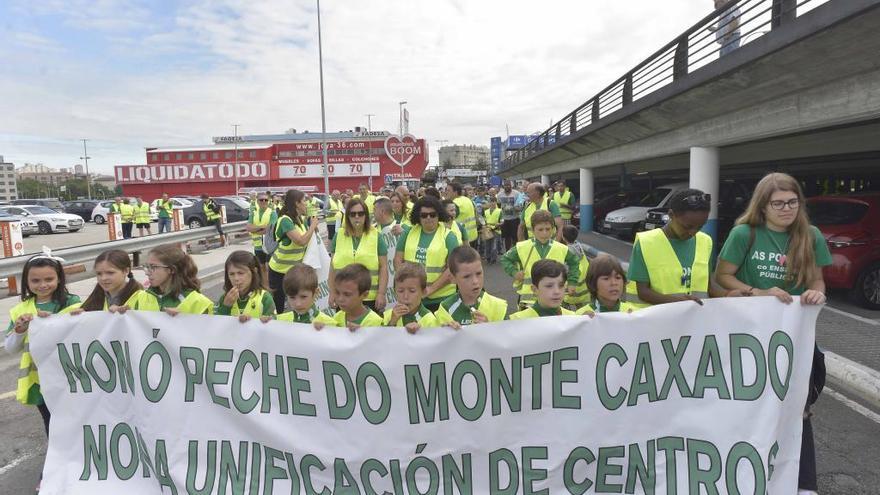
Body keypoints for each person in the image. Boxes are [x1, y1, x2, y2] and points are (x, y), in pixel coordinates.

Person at [714, 172, 831, 495]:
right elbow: (723, 276)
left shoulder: (811, 235)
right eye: (777, 203)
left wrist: (816, 293)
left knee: (798, 409)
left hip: (795, 336)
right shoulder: (744, 234)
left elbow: (818, 280)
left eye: (792, 202)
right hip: (751, 335)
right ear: (762, 206)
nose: (786, 209)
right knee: (749, 407)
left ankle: (803, 484)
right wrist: (756, 291)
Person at [4, 252, 81, 442]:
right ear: (26, 282)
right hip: (40, 382)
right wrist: (20, 330)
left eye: (49, 279)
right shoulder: (21, 310)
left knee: (77, 422)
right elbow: (11, 348)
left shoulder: (72, 302)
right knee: (51, 423)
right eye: (35, 280)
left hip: (71, 377)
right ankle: (58, 464)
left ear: (59, 279)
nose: (42, 284)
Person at [625, 189, 737, 308]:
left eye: (700, 227)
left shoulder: (705, 242)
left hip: (691, 321)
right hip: (657, 320)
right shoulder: (646, 242)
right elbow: (643, 292)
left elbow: (708, 286)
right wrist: (676, 302)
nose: (692, 232)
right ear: (671, 215)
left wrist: (728, 294)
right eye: (687, 227)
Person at [502, 210, 580, 309]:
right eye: (540, 229)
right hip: (528, 301)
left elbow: (574, 262)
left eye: (548, 229)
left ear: (553, 229)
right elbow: (505, 259)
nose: (544, 233)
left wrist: (572, 282)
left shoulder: (562, 248)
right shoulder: (522, 247)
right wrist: (514, 272)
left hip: (555, 300)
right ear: (533, 230)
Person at [394, 196, 460, 312]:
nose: (428, 218)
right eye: (424, 215)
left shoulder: (449, 237)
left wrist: (430, 290)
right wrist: (407, 286)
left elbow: (452, 269)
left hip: (441, 299)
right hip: (412, 298)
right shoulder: (407, 233)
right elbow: (398, 259)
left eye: (432, 214)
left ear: (439, 215)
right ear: (418, 217)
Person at [329, 198, 389, 312]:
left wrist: (381, 293)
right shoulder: (339, 236)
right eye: (353, 214)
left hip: (368, 298)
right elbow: (332, 267)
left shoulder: (376, 236)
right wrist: (332, 292)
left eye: (360, 213)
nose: (357, 217)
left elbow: (383, 268)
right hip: (343, 297)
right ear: (348, 216)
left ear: (366, 216)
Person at [268, 189, 319, 313]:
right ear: (296, 203)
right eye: (304, 201)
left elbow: (307, 239)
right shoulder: (285, 220)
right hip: (278, 270)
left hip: (293, 271)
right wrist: (312, 226)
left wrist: (313, 230)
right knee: (278, 306)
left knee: (297, 304)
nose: (306, 203)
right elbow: (301, 241)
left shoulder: (299, 220)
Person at [435, 246, 508, 328]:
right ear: (453, 278)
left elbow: (506, 338)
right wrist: (446, 332)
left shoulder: (498, 306)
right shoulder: (446, 309)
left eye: (478, 273)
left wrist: (489, 328)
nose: (475, 281)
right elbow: (438, 339)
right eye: (467, 276)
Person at [142, 244, 214, 315]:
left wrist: (182, 319)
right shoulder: (141, 297)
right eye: (147, 267)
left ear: (171, 269)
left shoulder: (198, 302)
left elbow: (211, 325)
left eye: (153, 267)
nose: (147, 273)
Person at [75, 249, 154, 312]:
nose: (103, 278)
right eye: (99, 274)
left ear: (126, 271)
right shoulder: (96, 298)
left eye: (110, 273)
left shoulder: (143, 298)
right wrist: (79, 315)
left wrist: (130, 314)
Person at [317, 264, 383, 331]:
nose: (340, 299)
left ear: (364, 295)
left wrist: (361, 333)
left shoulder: (376, 323)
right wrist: (321, 330)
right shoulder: (337, 317)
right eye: (337, 293)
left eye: (347, 294)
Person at [215, 250, 275, 321]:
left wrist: (266, 320)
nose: (236, 278)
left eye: (241, 273)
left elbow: (273, 324)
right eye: (231, 274)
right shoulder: (224, 298)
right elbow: (216, 325)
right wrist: (225, 307)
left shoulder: (265, 298)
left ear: (254, 272)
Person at [509, 259, 576, 319]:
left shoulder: (573, 318)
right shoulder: (517, 321)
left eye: (561, 285)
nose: (557, 291)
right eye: (549, 286)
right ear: (535, 289)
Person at [383, 262, 439, 334]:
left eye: (412, 291)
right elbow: (381, 342)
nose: (405, 296)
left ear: (423, 292)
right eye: (401, 291)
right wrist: (391, 323)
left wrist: (420, 333)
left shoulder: (429, 320)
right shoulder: (387, 315)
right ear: (395, 292)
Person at [246, 192, 277, 284]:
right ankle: (265, 286)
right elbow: (248, 228)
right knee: (261, 268)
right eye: (261, 200)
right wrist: (262, 227)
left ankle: (271, 286)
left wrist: (255, 229)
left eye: (266, 200)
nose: (264, 201)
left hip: (269, 245)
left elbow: (270, 229)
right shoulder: (253, 213)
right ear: (257, 201)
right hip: (258, 246)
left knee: (268, 267)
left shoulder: (272, 213)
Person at [561, 225, 591, 310]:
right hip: (583, 287)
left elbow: (566, 268)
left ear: (563, 237)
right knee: (582, 309)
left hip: (573, 284)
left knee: (566, 306)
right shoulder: (579, 246)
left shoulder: (567, 251)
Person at [447, 182, 479, 248]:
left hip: (463, 239)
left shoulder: (455, 203)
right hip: (473, 235)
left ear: (455, 192)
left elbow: (448, 220)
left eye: (448, 190)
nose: (446, 192)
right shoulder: (468, 200)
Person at [496, 181, 522, 251]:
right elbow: (498, 206)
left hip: (515, 218)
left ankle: (516, 251)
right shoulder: (499, 195)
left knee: (515, 237)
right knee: (507, 237)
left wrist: (517, 208)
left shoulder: (517, 194)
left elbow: (520, 205)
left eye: (508, 185)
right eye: (506, 185)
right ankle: (507, 252)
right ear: (503, 186)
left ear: (511, 186)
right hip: (505, 219)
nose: (507, 186)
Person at [482, 196, 503, 264]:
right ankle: (488, 257)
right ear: (489, 203)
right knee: (487, 245)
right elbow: (483, 220)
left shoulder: (499, 211)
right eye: (491, 201)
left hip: (496, 230)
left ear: (496, 202)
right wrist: (484, 225)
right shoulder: (486, 211)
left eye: (494, 201)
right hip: (487, 229)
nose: (492, 203)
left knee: (494, 246)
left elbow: (502, 221)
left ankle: (493, 259)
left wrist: (499, 224)